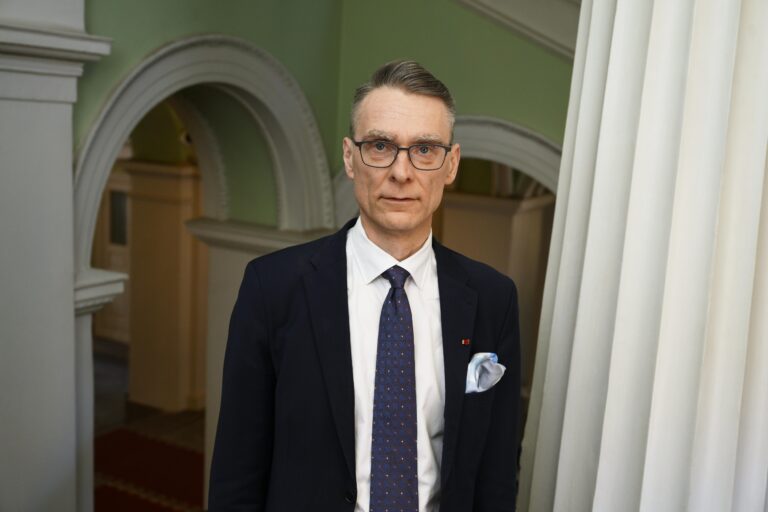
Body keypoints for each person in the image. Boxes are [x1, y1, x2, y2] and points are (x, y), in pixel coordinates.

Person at [209, 60, 521, 512]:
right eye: (380, 146)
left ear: (451, 164)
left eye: (425, 149)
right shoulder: (272, 287)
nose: (402, 172)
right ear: (350, 157)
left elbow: (497, 471)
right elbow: (237, 470)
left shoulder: (494, 298)